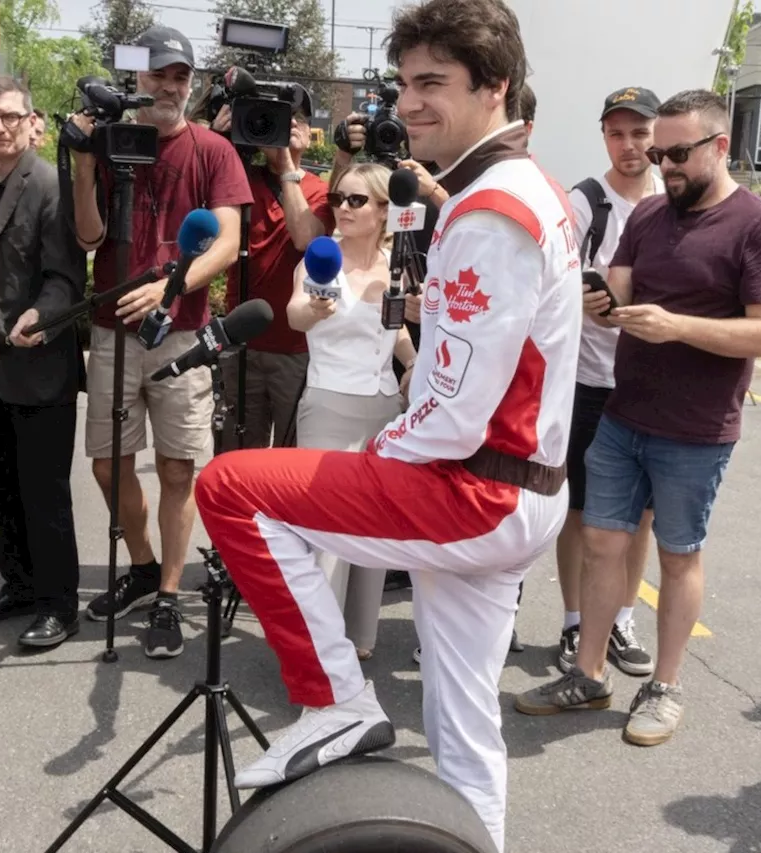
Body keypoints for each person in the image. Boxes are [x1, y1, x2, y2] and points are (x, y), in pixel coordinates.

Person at [192, 0, 582, 848]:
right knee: (465, 723)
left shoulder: (491, 211)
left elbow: (451, 410)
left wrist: (368, 457)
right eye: (404, 83)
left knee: (229, 485)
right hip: (519, 491)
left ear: (497, 86)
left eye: (433, 83)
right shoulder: (527, 188)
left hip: (474, 488)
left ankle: (335, 700)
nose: (408, 104)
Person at [515, 90, 761, 747]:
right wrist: (599, 304)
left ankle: (664, 687)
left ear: (719, 146)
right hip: (623, 411)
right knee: (603, 543)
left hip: (695, 428)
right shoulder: (646, 216)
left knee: (677, 556)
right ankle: (588, 671)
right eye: (656, 151)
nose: (660, 162)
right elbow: (622, 289)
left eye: (675, 152)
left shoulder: (760, 227)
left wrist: (675, 328)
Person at [69, 25, 252, 659]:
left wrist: (171, 288)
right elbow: (90, 239)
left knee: (178, 467)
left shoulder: (212, 151)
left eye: (180, 76)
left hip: (182, 333)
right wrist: (85, 160)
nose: (169, 86)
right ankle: (143, 566)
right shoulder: (110, 144)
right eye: (157, 75)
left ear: (190, 84)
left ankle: (170, 591)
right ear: (136, 79)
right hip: (110, 330)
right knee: (105, 462)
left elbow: (226, 243)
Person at [0, 76, 88, 647]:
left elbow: (66, 277)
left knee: (44, 492)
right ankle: (20, 584)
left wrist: (40, 316)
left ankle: (59, 602)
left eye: (9, 116)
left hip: (40, 363)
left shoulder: (52, 185)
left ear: (31, 120)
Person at [550, 87, 663, 678]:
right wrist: (583, 303)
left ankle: (620, 619)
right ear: (604, 138)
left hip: (648, 382)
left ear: (658, 136)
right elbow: (553, 277)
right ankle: (574, 623)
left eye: (640, 133)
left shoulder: (672, 202)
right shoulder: (583, 202)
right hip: (587, 381)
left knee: (640, 515)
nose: (629, 146)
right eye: (617, 134)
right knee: (580, 512)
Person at [286, 162, 417, 661]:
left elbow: (394, 330)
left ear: (385, 210)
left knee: (372, 531)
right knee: (324, 535)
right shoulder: (320, 261)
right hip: (327, 404)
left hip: (384, 408)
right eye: (338, 198)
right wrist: (313, 309)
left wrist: (415, 363)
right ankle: (317, 648)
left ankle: (359, 639)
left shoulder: (397, 266)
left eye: (356, 200)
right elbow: (296, 314)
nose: (342, 207)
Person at [206, 88, 333, 451]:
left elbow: (305, 239)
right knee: (237, 452)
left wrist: (287, 169)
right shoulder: (238, 178)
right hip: (241, 343)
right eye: (278, 117)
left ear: (311, 134)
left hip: (294, 349)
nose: (289, 125)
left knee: (290, 456)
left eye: (298, 119)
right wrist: (218, 139)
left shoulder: (319, 190)